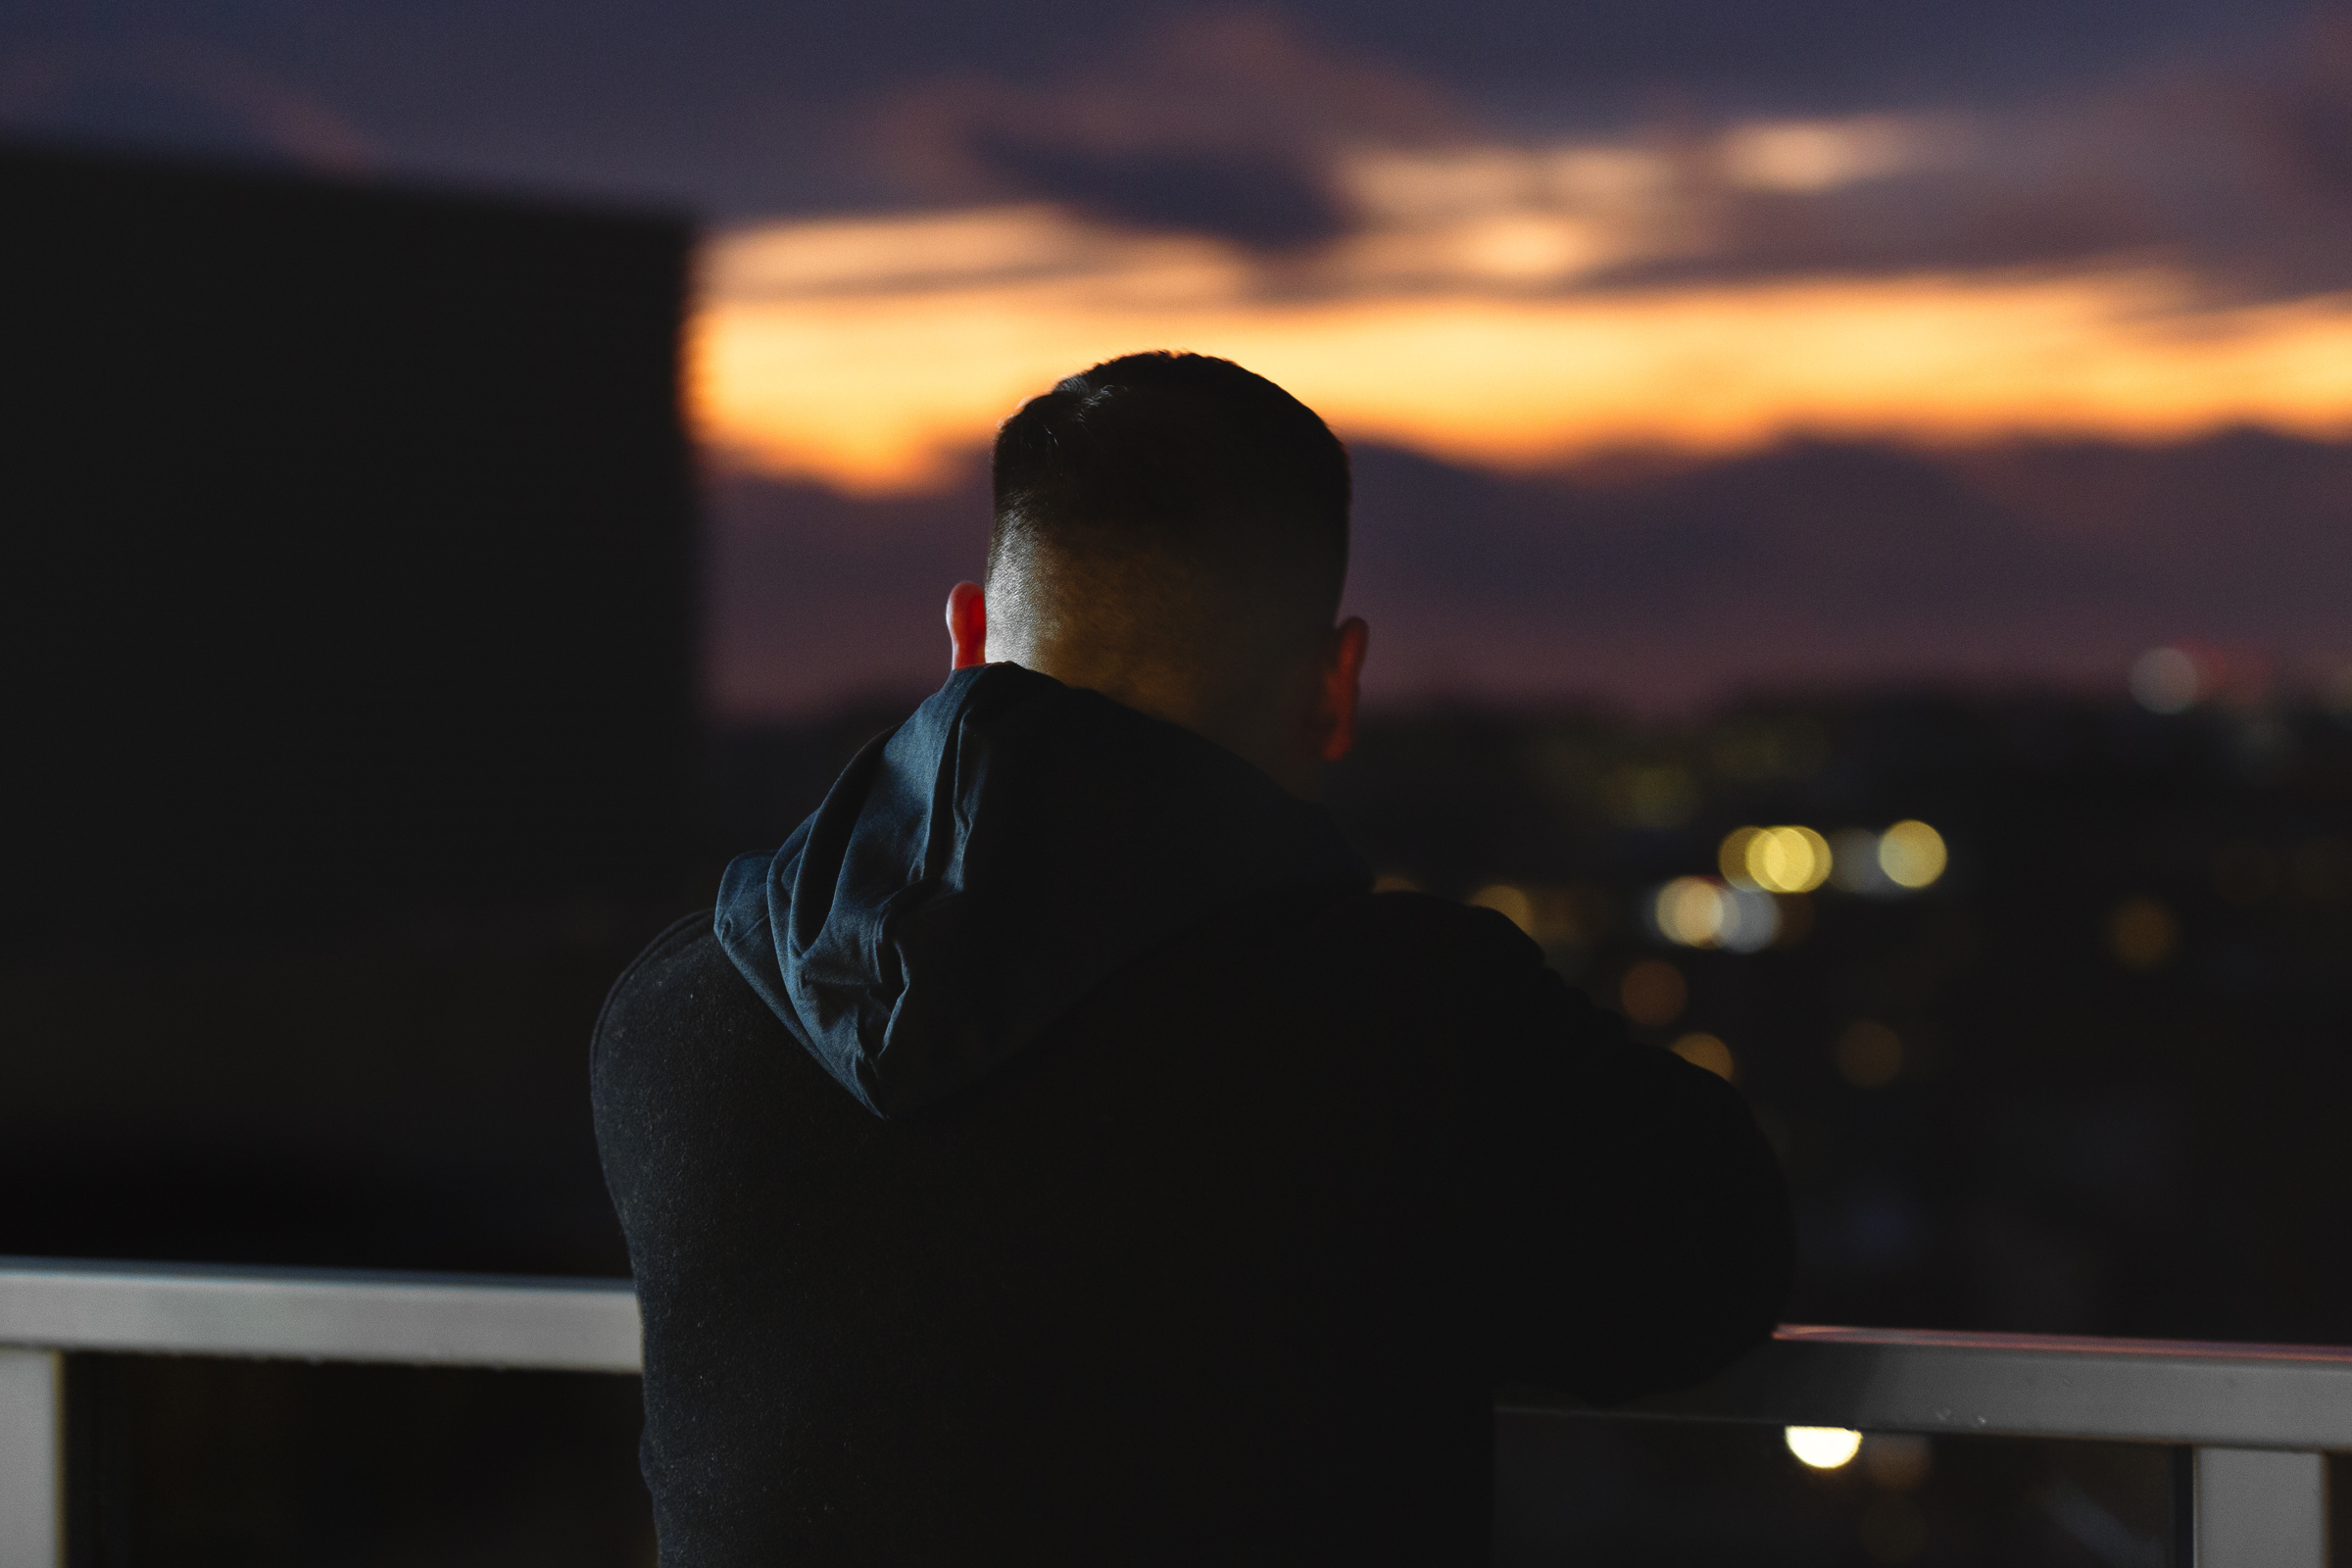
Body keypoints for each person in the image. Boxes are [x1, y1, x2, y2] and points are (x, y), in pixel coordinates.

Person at [591, 351, 1794, 1565]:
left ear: (966, 638)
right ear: (1336, 684)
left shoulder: (676, 1021)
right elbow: (1718, 1272)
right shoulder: (1406, 1027)